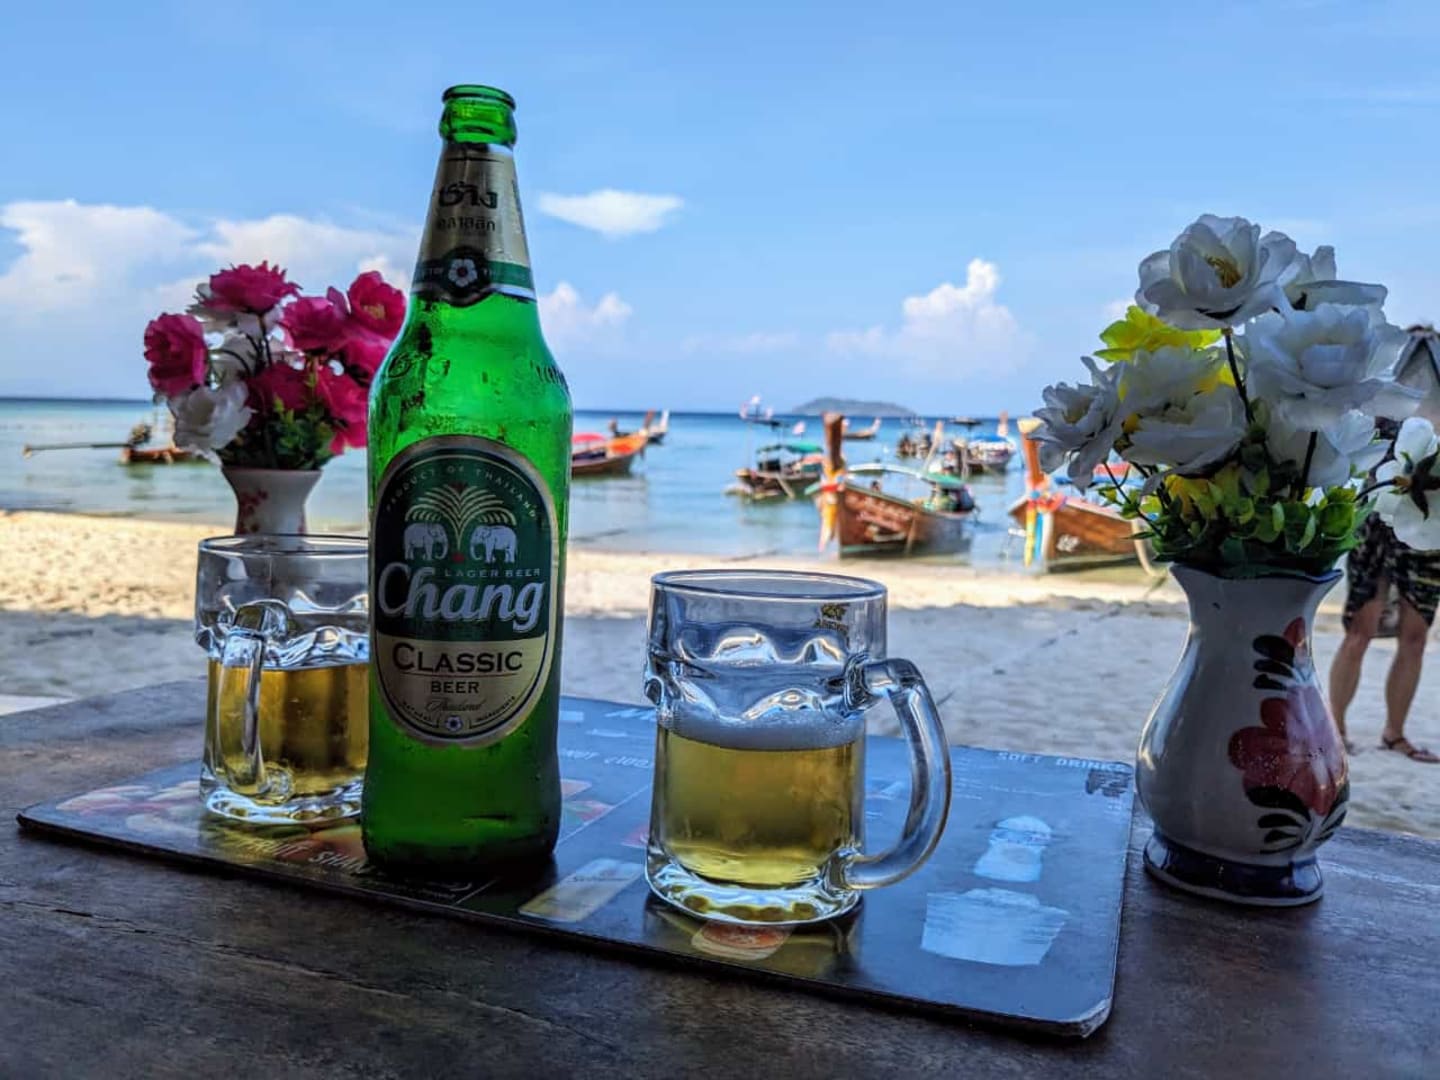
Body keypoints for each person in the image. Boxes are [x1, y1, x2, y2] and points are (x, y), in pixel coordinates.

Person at [1328, 326, 1440, 763]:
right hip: (1376, 517)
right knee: (1361, 629)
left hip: (1429, 523)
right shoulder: (1385, 394)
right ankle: (1335, 729)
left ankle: (1394, 733)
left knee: (1416, 636)